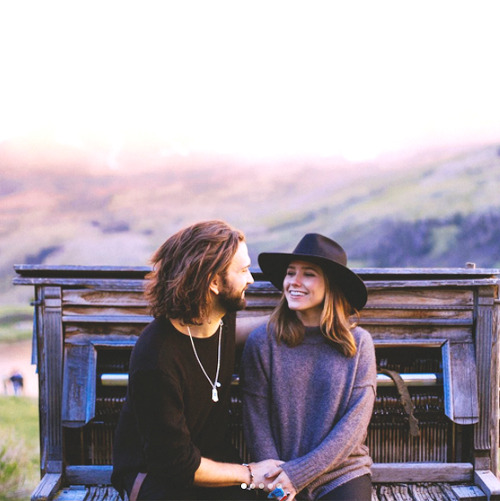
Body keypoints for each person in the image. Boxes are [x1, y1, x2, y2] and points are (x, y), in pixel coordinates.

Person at [112, 220, 281, 501]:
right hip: (160, 480)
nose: (251, 279)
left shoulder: (218, 320)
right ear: (214, 282)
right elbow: (177, 465)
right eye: (243, 270)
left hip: (210, 466)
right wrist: (251, 473)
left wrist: (295, 318)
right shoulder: (156, 360)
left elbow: (239, 331)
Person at [241, 233, 377, 501]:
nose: (294, 282)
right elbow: (256, 420)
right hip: (277, 471)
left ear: (331, 285)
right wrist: (277, 475)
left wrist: (301, 474)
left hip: (342, 474)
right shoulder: (262, 342)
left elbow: (353, 428)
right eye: (291, 273)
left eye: (309, 274)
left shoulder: (359, 344)